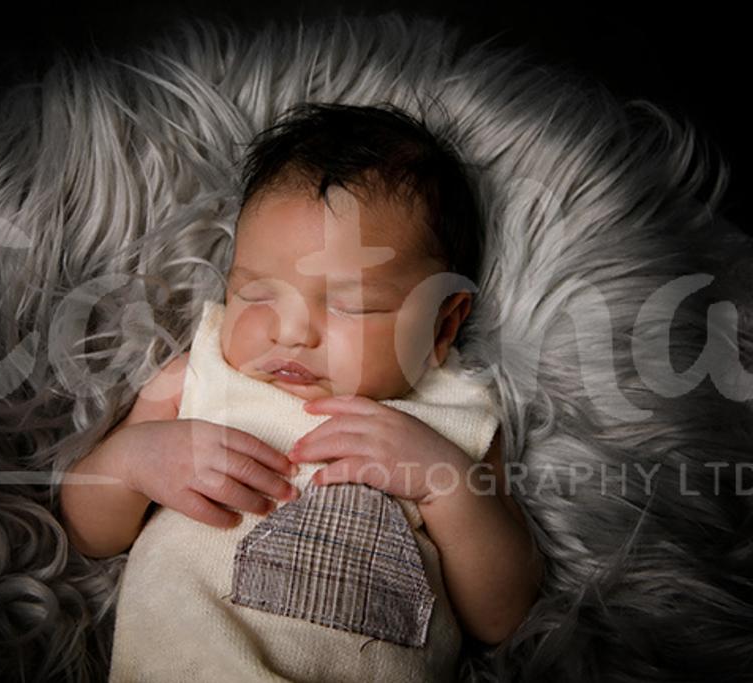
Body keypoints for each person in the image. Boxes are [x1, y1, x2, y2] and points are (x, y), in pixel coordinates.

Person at [58, 102, 544, 681]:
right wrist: (136, 462)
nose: (290, 331)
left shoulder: (455, 417)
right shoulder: (200, 373)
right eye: (257, 294)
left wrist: (445, 485)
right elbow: (89, 532)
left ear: (442, 325)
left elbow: (504, 616)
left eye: (350, 304)